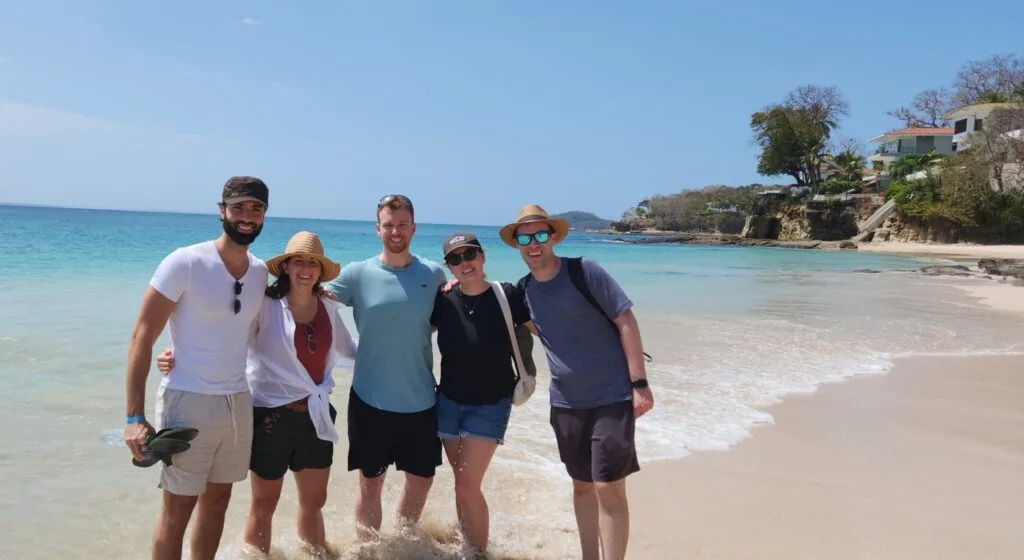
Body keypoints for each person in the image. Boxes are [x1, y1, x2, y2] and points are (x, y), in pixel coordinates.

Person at [155, 231, 358, 557]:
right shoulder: (267, 305)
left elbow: (352, 352)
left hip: (315, 416)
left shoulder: (329, 309)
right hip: (270, 418)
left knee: (314, 503)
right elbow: (226, 338)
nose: (306, 268)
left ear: (320, 270)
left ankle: (317, 554)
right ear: (287, 267)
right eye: (299, 261)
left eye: (313, 263)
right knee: (264, 504)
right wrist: (175, 357)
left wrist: (402, 343)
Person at [123, 176, 270, 560]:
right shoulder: (184, 261)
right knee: (177, 511)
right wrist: (133, 416)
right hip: (187, 400)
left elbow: (266, 329)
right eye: (238, 207)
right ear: (222, 210)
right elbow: (141, 336)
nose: (247, 216)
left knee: (219, 500)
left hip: (237, 401)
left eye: (256, 209)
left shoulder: (260, 272)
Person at [498, 204, 655, 560]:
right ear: (517, 244)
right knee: (582, 486)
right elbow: (521, 322)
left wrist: (640, 385)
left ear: (553, 237)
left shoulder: (584, 271)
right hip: (566, 405)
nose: (533, 243)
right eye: (525, 237)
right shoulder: (524, 293)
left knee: (609, 489)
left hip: (612, 398)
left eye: (540, 235)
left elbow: (626, 321)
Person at [324, 194, 448, 541]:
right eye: (389, 225)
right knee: (370, 481)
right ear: (377, 228)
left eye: (402, 224)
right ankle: (369, 550)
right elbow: (308, 302)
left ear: (413, 228)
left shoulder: (434, 274)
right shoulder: (356, 274)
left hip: (421, 398)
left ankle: (404, 542)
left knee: (422, 479)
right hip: (369, 399)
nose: (396, 231)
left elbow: (452, 315)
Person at [429, 232, 535, 555]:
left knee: (466, 483)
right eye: (455, 259)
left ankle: (477, 553)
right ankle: (469, 545)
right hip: (447, 402)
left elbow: (549, 330)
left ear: (483, 256)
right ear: (449, 267)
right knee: (463, 485)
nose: (465, 263)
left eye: (470, 255)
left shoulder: (509, 296)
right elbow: (408, 329)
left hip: (491, 405)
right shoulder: (442, 300)